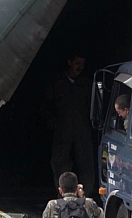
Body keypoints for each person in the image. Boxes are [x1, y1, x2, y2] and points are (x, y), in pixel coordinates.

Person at [40, 52, 95, 192]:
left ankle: (86, 195)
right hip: (62, 129)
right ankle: (63, 194)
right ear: (70, 62)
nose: (80, 67)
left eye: (82, 64)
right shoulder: (57, 82)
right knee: (60, 162)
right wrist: (51, 122)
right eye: (77, 63)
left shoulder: (86, 84)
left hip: (82, 129)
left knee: (86, 163)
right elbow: (46, 104)